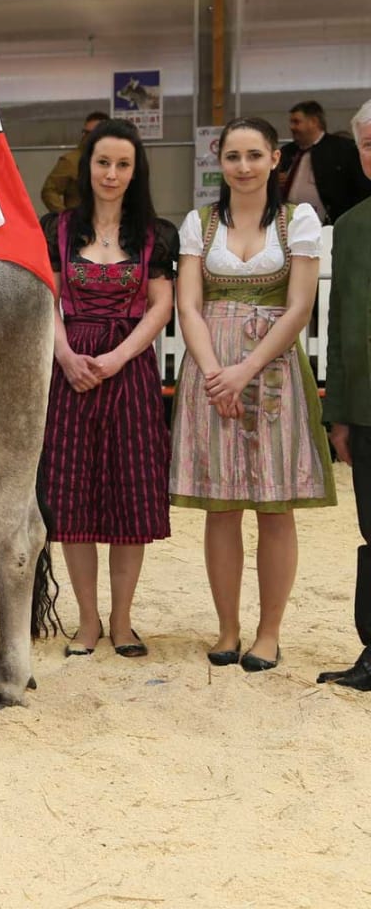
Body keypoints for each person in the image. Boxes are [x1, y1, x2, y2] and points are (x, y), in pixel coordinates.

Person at [170, 116, 335, 673]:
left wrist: (245, 370)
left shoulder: (297, 220)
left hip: (272, 369)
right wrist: (214, 372)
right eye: (233, 156)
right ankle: (227, 628)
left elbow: (299, 309)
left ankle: (268, 633)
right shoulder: (199, 223)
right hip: (211, 369)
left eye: (254, 155)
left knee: (274, 504)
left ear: (275, 160)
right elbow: (189, 306)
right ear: (220, 161)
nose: (243, 167)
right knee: (221, 506)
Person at [36, 119, 177, 658]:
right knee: (73, 498)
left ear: (135, 171)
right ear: (87, 166)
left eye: (122, 164)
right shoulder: (57, 229)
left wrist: (118, 357)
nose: (111, 174)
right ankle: (87, 621)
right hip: (70, 370)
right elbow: (45, 298)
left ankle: (122, 620)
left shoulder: (155, 233)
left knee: (128, 498)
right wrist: (65, 355)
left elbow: (160, 306)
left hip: (130, 370)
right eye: (102, 163)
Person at [318, 98, 371, 690]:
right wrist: (337, 414)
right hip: (365, 409)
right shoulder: (350, 227)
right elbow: (337, 327)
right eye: (369, 144)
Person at [276, 99, 369, 223]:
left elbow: (360, 186)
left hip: (333, 223)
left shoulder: (342, 148)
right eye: (291, 122)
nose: (292, 127)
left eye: (296, 122)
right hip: (289, 222)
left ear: (314, 121)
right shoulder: (287, 151)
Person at [40, 111, 109, 213]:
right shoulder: (71, 160)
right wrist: (65, 216)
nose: (87, 137)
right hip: (81, 219)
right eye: (85, 132)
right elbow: (49, 191)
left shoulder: (115, 160)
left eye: (93, 133)